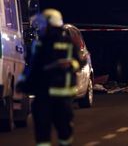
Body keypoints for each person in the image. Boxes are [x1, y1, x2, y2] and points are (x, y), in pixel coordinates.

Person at [17, 9, 84, 146]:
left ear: (51, 25)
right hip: (44, 94)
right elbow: (32, 67)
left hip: (62, 96)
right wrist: (23, 83)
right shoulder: (40, 43)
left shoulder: (68, 43)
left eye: (43, 24)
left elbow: (80, 62)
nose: (41, 27)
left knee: (64, 131)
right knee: (42, 132)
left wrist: (70, 64)